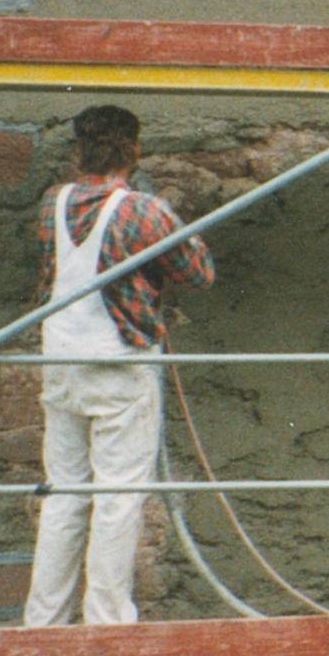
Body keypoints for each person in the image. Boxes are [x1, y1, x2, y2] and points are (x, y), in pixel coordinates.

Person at [23, 105, 214, 627]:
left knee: (64, 493)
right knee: (117, 496)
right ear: (134, 150)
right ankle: (107, 622)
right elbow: (199, 273)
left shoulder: (52, 203)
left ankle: (44, 622)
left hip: (61, 362)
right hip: (118, 364)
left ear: (78, 151)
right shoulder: (143, 211)